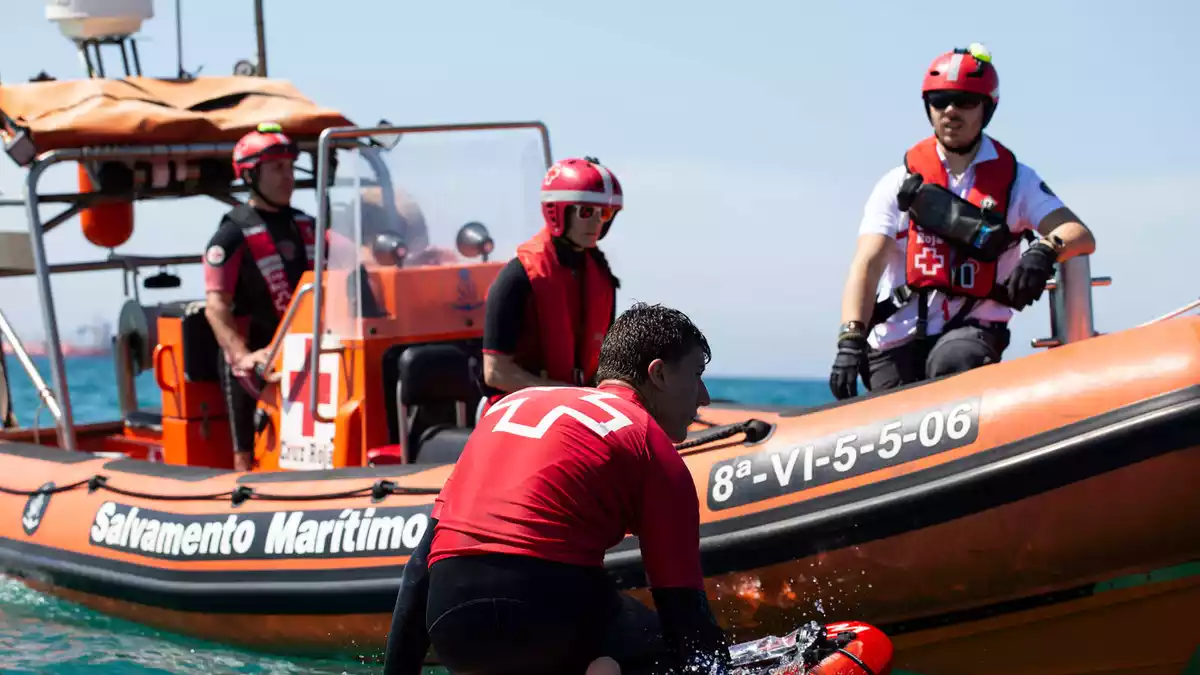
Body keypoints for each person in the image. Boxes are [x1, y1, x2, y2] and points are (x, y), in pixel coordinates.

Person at [383, 302, 730, 675]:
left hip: (451, 620)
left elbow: (419, 569)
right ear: (658, 374)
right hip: (544, 615)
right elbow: (682, 609)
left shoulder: (508, 407)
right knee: (663, 649)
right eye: (696, 375)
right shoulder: (647, 440)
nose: (704, 397)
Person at [830, 44, 1096, 400]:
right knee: (889, 403)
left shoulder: (1017, 181)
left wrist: (1044, 250)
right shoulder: (898, 182)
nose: (951, 111)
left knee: (955, 359)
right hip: (895, 340)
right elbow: (867, 264)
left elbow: (1078, 233)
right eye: (940, 101)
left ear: (986, 109)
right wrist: (850, 340)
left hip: (972, 333)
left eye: (965, 101)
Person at [480, 156, 622, 410]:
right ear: (558, 210)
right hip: (520, 412)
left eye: (605, 213)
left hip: (579, 409)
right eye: (586, 211)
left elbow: (607, 362)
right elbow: (495, 372)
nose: (596, 222)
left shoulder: (602, 277)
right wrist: (564, 395)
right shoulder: (516, 278)